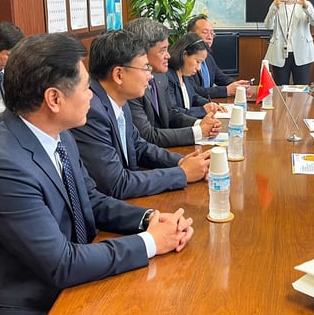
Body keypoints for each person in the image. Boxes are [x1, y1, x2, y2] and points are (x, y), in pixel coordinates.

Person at [0, 33, 195, 315]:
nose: (92, 95)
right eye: (84, 87)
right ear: (54, 99)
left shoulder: (58, 134)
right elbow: (61, 263)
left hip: (62, 287)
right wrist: (149, 243)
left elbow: (89, 199)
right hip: (16, 314)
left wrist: (148, 219)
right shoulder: (0, 166)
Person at [71, 30, 210, 199]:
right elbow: (116, 184)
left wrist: (181, 162)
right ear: (119, 75)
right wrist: (182, 174)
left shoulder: (118, 100)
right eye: (145, 68)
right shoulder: (91, 112)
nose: (150, 76)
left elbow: (139, 147)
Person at [124, 18, 222, 148]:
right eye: (162, 50)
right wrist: (198, 131)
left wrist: (201, 124)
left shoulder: (160, 78)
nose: (168, 56)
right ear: (141, 52)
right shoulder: (131, 87)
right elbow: (147, 136)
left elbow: (170, 114)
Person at [263, 0, 314, 85]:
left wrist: (305, 6)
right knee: (280, 88)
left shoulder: (305, 3)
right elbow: (267, 25)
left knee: (301, 88)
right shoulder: (277, 3)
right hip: (279, 52)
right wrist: (274, 6)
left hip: (302, 52)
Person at [186, 14, 250, 98]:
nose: (209, 37)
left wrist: (237, 85)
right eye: (205, 32)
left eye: (212, 34)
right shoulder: (186, 59)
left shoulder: (208, 57)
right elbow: (195, 91)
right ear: (191, 34)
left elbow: (221, 78)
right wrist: (226, 90)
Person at [166, 33, 226, 119]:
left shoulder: (185, 75)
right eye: (198, 62)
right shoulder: (168, 77)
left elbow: (194, 97)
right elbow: (174, 113)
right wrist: (203, 110)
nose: (198, 68)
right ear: (185, 54)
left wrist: (210, 105)